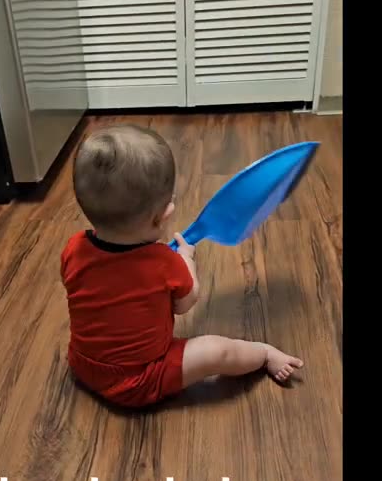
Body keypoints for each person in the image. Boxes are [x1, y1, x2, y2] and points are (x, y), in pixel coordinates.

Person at [60, 125, 303, 408]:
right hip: (142, 378)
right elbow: (185, 303)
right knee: (216, 351)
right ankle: (263, 353)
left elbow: (76, 283)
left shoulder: (73, 248)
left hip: (84, 364)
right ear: (164, 216)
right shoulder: (165, 262)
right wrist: (186, 259)